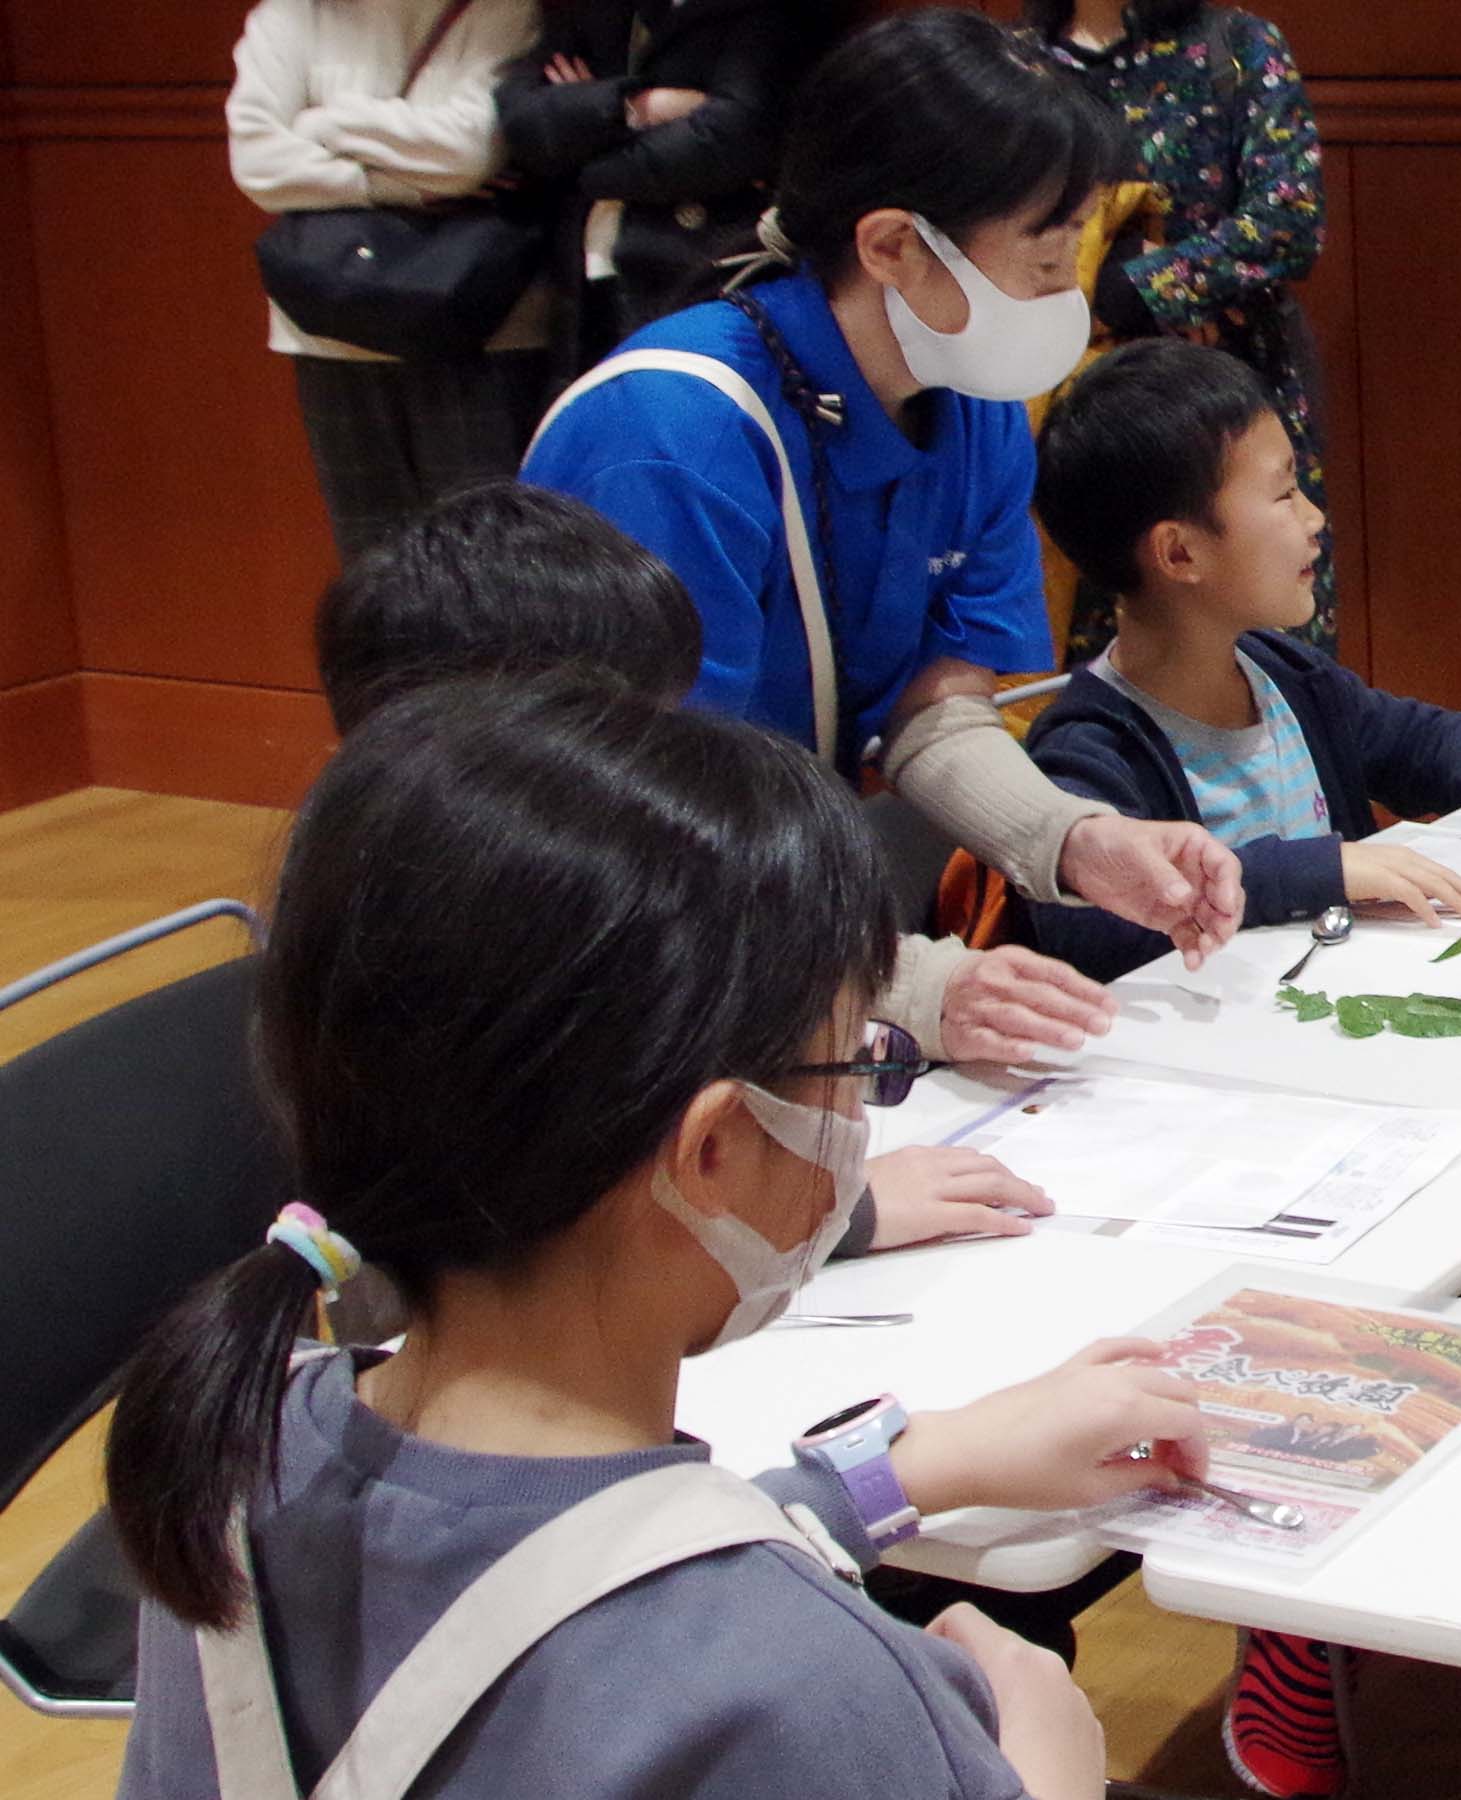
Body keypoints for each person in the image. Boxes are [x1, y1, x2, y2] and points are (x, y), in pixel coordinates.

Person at [106, 678, 1211, 1799]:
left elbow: (564, 1581)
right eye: (858, 1063)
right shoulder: (813, 1691)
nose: (861, 1113)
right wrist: (1051, 1766)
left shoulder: (227, 1455)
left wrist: (908, 1469)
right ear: (715, 1156)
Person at [522, 8, 1240, 966]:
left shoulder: (969, 401)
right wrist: (894, 988)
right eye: (1043, 256)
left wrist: (1070, 839)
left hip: (771, 912)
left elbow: (937, 705)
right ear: (893, 245)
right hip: (609, 934)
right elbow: (644, 813)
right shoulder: (671, 437)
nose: (1069, 289)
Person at [314, 483, 1117, 1243]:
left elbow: (729, 966)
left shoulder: (553, 885)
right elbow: (567, 1247)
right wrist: (841, 1209)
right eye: (627, 736)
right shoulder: (434, 965)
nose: (653, 767)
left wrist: (924, 993)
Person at [1021, 339, 1461, 983]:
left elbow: (1419, 740)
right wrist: (1311, 872)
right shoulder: (1084, 751)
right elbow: (1096, 929)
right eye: (1284, 494)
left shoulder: (1285, 674)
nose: (1314, 517)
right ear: (1180, 554)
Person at [1018, 0, 1336, 660]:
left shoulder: (1236, 45)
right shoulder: (1018, 63)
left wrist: (1138, 287)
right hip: (1070, 413)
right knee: (1091, 670)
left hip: (1227, 413)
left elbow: (1288, 222)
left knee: (1265, 651)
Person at [228, 0, 553, 562]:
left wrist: (321, 123)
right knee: (372, 572)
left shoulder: (504, 8)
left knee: (493, 573)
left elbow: (467, 153)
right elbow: (259, 162)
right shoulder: (289, 15)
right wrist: (402, 184)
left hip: (479, 325)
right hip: (332, 328)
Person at [496, 0, 814, 385]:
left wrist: (582, 145)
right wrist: (637, 107)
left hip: (697, 271)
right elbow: (522, 121)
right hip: (583, 272)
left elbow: (731, 139)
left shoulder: (765, 13)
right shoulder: (598, 10)